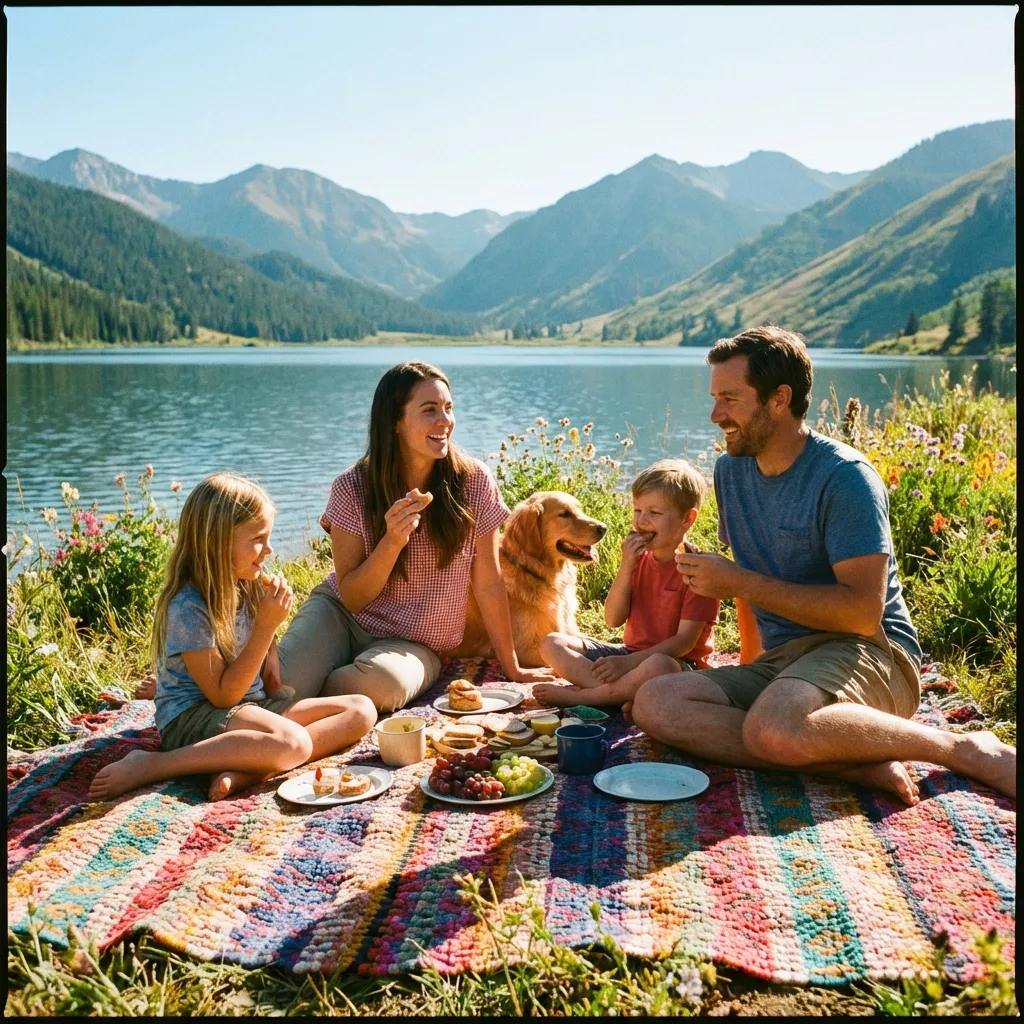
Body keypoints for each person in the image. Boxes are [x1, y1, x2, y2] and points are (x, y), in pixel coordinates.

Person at [630, 325, 1016, 805]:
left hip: (871, 652)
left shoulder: (844, 478)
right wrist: (752, 666)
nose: (715, 415)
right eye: (715, 398)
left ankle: (961, 749)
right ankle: (851, 764)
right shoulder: (731, 471)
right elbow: (749, 591)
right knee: (656, 701)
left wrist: (740, 582)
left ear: (779, 399)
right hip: (786, 664)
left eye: (729, 398)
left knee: (771, 724)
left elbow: (860, 613)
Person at [277, 362, 554, 710]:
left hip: (414, 643)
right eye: (429, 410)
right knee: (282, 686)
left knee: (382, 687)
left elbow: (488, 582)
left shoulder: (474, 482)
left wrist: (511, 667)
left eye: (448, 408)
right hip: (340, 616)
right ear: (394, 422)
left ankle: (310, 692)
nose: (445, 420)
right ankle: (290, 698)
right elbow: (350, 598)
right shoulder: (352, 487)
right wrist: (391, 543)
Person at [88, 472, 377, 803]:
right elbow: (223, 696)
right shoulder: (189, 606)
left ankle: (251, 768)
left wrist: (273, 678)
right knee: (294, 742)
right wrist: (266, 626)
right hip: (193, 718)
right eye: (257, 538)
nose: (268, 549)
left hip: (247, 707)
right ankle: (156, 765)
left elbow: (265, 679)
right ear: (218, 541)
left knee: (361, 710)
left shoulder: (248, 583)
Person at [534, 459, 719, 708]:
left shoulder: (698, 569)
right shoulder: (639, 559)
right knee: (552, 643)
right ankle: (625, 693)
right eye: (637, 510)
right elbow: (612, 619)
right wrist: (626, 566)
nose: (641, 521)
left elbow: (683, 643)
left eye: (654, 513)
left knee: (658, 665)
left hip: (678, 666)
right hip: (630, 656)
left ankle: (587, 698)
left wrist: (629, 664)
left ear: (687, 519)